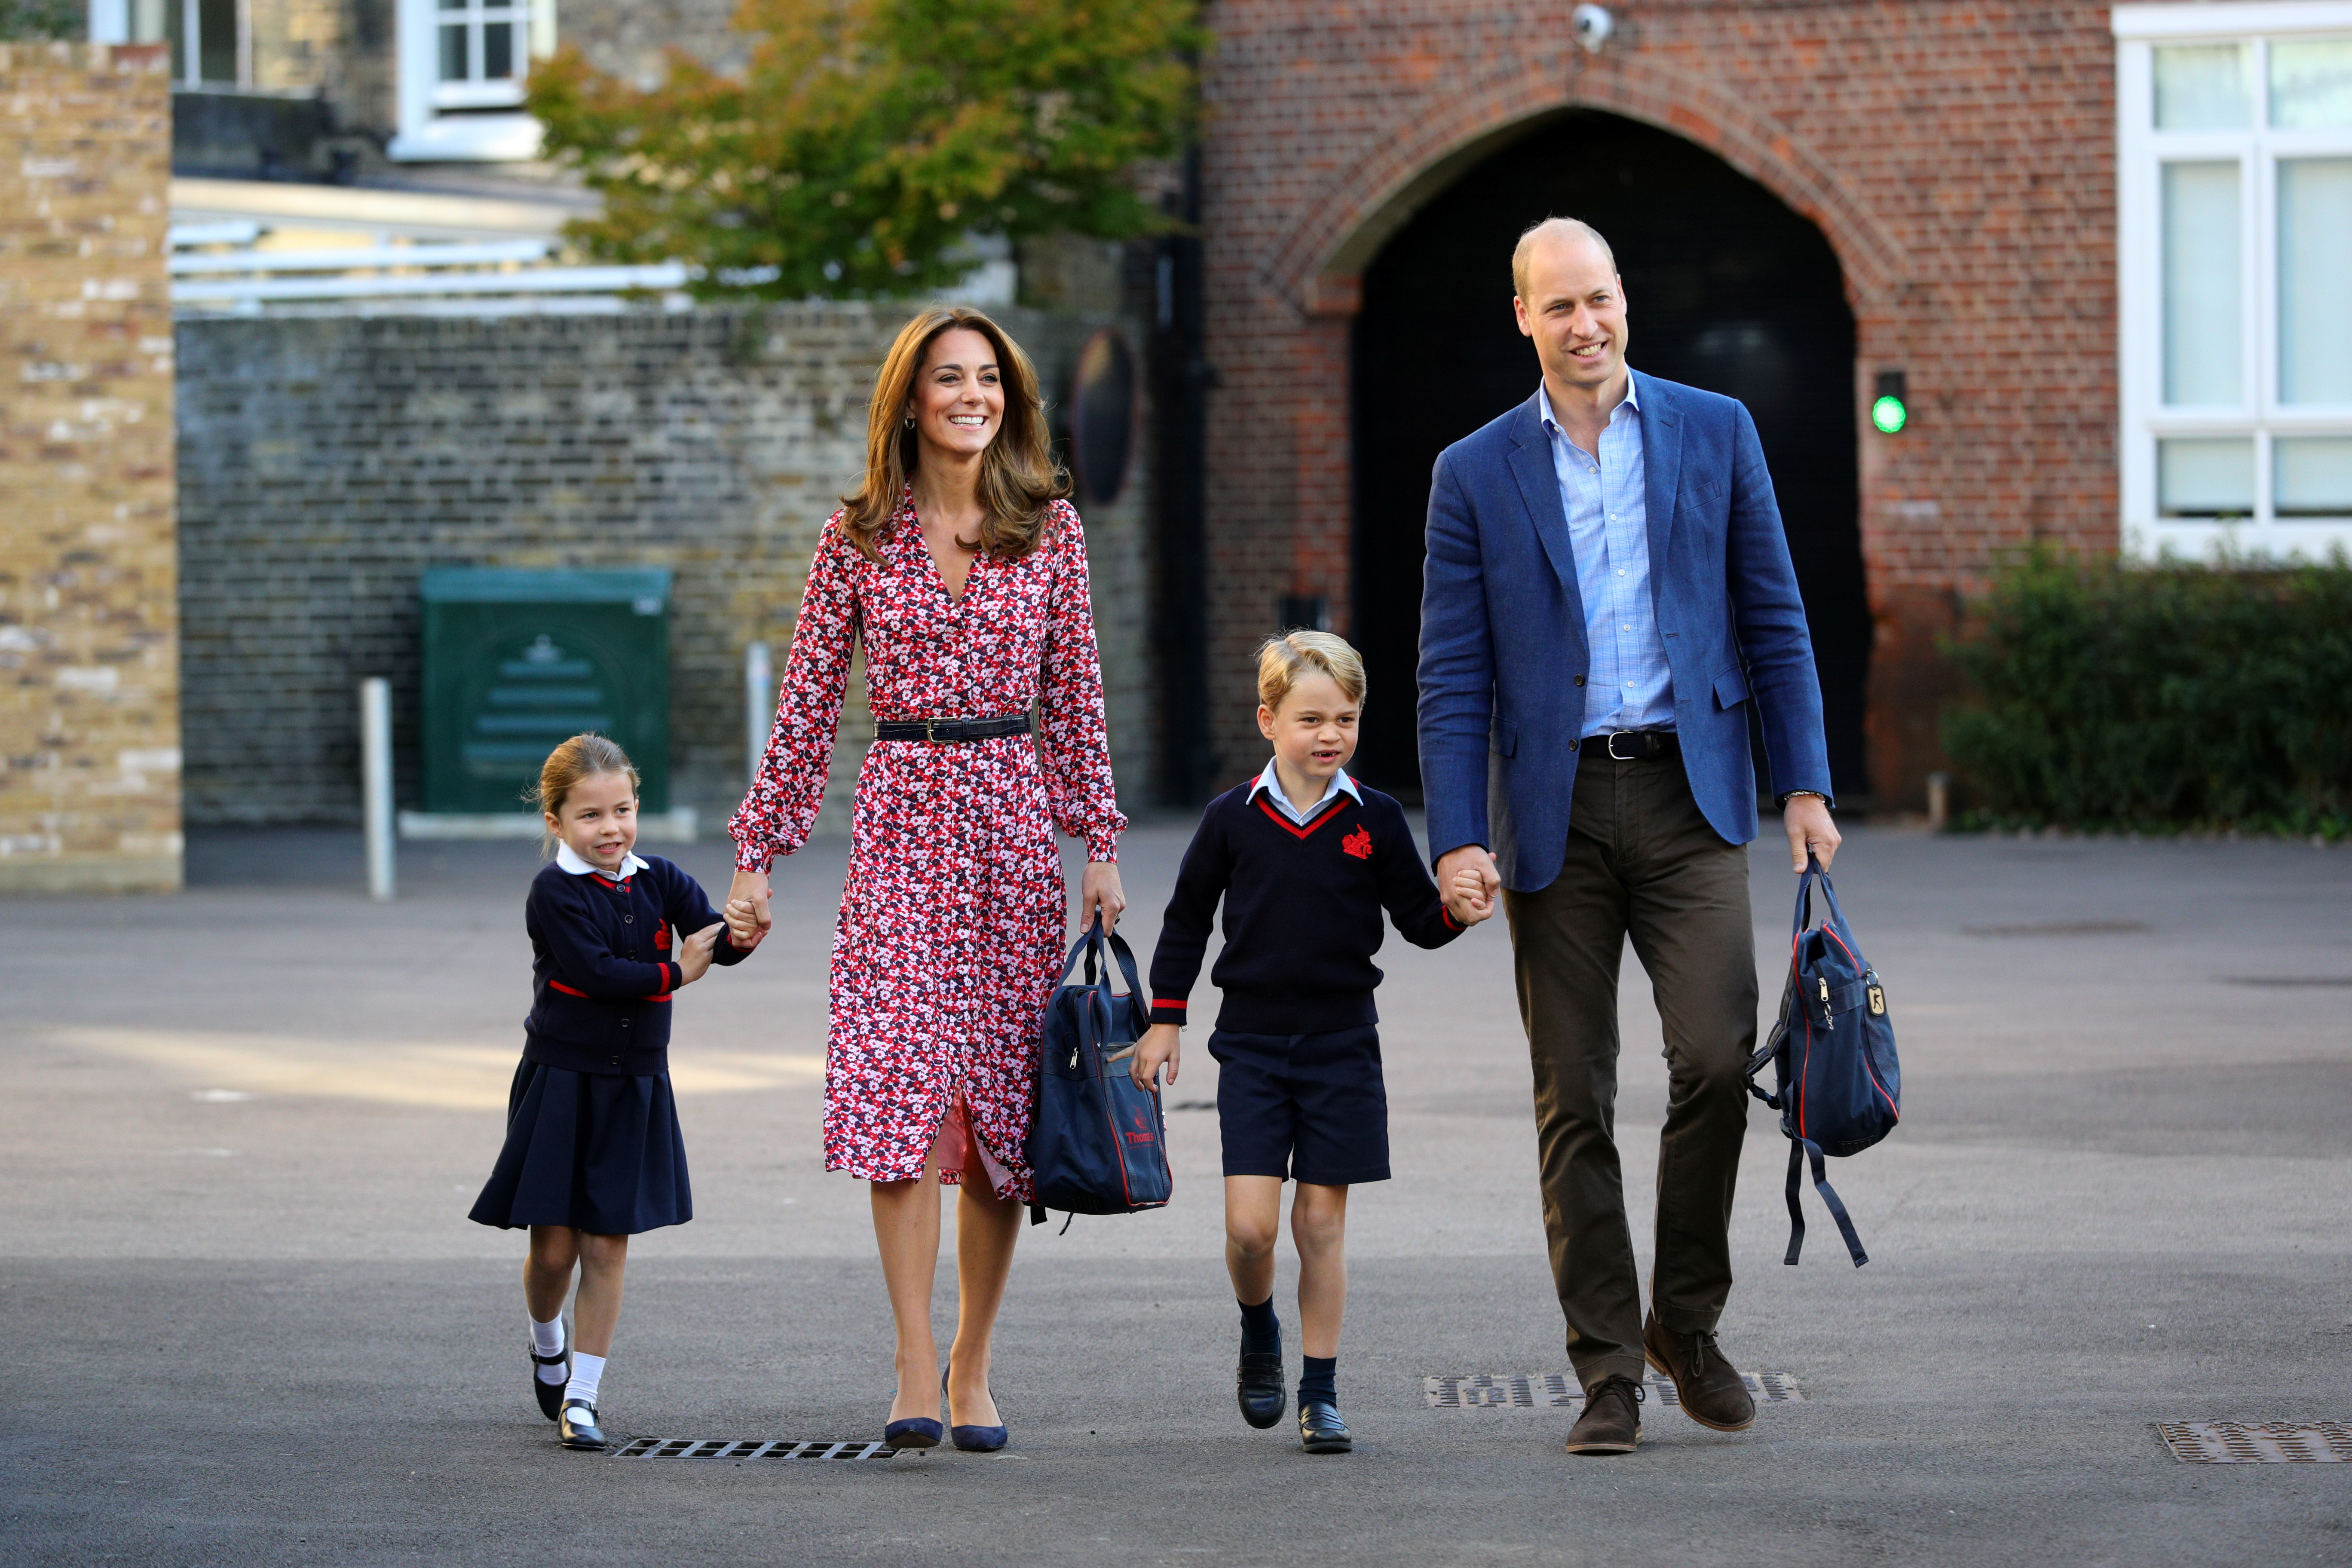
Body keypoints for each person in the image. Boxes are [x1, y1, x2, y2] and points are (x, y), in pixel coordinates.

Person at [1416, 217, 1843, 1456]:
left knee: (1715, 1060)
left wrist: (1804, 784)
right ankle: (1605, 1367)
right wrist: (1455, 840)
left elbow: (1777, 618)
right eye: (1558, 307)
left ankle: (1687, 1324)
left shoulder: (1716, 430)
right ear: (1523, 319)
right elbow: (1453, 677)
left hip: (1691, 795)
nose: (1583, 325)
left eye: (1598, 299)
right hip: (1550, 814)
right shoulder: (1473, 471)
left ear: (1624, 300)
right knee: (1574, 1097)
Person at [722, 306, 1127, 1454]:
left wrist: (1097, 841)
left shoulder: (1048, 529)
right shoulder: (853, 537)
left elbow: (1078, 700)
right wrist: (758, 855)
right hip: (899, 826)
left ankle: (974, 1365)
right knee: (899, 1095)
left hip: (1009, 827)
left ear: (1011, 397)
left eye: (987, 380)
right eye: (947, 379)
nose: (970, 396)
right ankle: (910, 1359)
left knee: (1003, 1108)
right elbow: (805, 709)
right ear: (910, 397)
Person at [1130, 631, 1492, 1454]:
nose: (1330, 735)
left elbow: (1416, 920)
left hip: (1342, 1048)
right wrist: (1165, 1018)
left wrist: (1455, 915)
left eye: (1347, 719)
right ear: (1268, 720)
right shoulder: (1232, 818)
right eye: (1311, 718)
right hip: (1252, 1048)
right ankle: (1259, 1329)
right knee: (1253, 1229)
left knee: (1320, 1225)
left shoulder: (1376, 818)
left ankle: (1321, 1393)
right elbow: (1188, 921)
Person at [468, 732, 752, 1451]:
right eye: (591, 816)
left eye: (622, 810)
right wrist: (676, 974)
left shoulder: (659, 876)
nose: (612, 828)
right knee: (554, 1253)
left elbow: (710, 933)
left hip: (636, 1087)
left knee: (608, 1246)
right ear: (556, 822)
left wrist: (743, 933)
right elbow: (596, 974)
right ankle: (545, 1340)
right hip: (562, 1083)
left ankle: (583, 1400)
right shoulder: (553, 893)